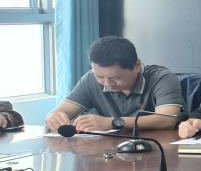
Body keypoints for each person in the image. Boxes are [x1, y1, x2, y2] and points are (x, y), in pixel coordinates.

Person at [43, 36, 182, 133]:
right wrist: (53, 117)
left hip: (158, 148)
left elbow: (167, 120)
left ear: (137, 66)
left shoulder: (161, 78)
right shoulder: (90, 79)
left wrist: (112, 122)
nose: (107, 83)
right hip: (110, 150)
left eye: (116, 78)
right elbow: (61, 111)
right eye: (100, 76)